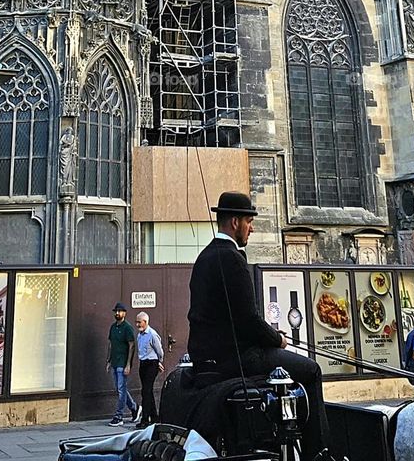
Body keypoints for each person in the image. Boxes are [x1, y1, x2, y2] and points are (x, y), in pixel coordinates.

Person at [187, 191, 331, 461]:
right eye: (249, 222)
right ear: (234, 223)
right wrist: (277, 339)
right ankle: (318, 452)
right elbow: (248, 321)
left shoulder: (204, 258)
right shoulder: (233, 259)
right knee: (311, 370)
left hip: (207, 357)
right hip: (236, 358)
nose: (251, 228)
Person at [107, 303, 139, 426]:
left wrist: (128, 364)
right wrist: (108, 360)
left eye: (120, 311)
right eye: (116, 311)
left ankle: (119, 415)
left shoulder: (127, 328)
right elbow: (110, 344)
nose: (117, 313)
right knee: (120, 389)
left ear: (124, 313)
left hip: (122, 362)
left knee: (121, 389)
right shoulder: (113, 327)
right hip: (115, 361)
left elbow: (131, 345)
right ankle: (134, 408)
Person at [135, 311, 164, 425]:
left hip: (152, 363)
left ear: (145, 322)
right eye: (136, 322)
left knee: (145, 391)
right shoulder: (139, 336)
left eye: (139, 322)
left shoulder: (152, 334)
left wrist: (159, 362)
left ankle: (145, 419)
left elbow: (159, 351)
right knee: (147, 390)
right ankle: (154, 417)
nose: (137, 325)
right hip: (143, 363)